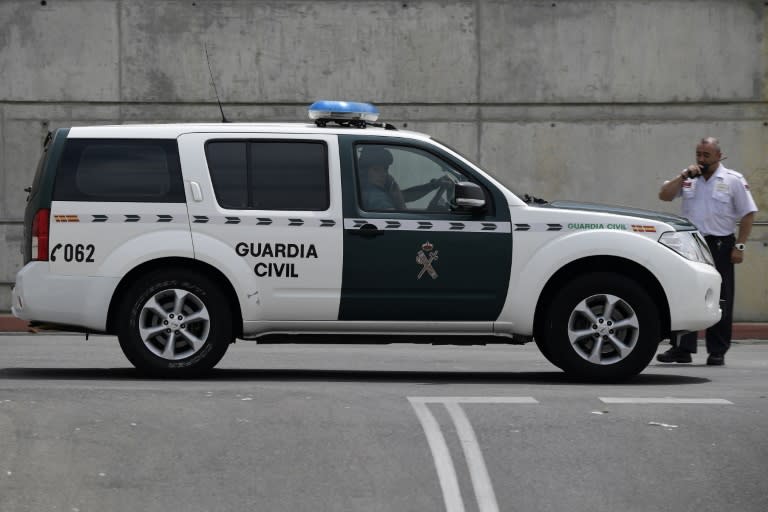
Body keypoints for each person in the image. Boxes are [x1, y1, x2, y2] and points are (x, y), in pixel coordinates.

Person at [657, 137, 758, 365]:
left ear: (719, 156)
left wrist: (739, 246)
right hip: (690, 244)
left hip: (721, 245)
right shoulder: (688, 179)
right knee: (685, 294)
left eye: (706, 155)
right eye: (698, 154)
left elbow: (748, 213)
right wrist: (683, 176)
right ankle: (682, 349)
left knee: (721, 298)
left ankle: (717, 351)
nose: (701, 159)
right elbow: (664, 195)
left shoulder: (732, 180)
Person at [357, 146, 452, 211]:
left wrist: (433, 185)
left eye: (385, 169)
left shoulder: (370, 191)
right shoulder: (375, 198)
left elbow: (407, 195)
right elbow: (400, 218)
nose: (384, 174)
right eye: (376, 170)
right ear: (364, 172)